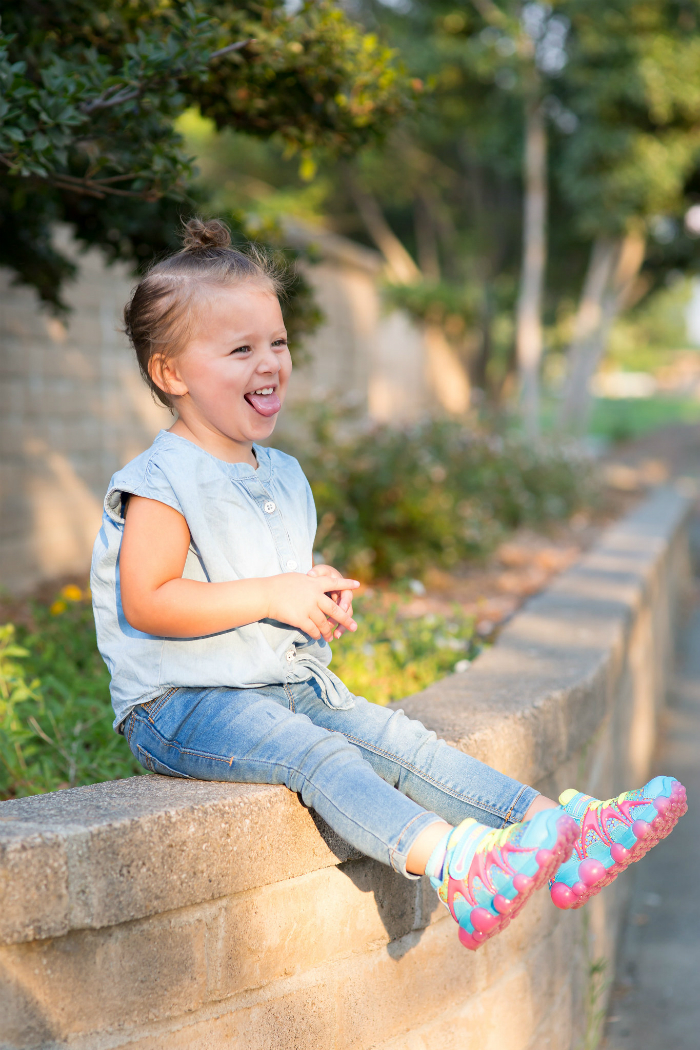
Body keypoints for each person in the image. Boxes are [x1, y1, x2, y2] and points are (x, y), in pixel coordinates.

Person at [91, 218, 687, 952]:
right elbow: (147, 601)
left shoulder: (277, 472)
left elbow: (249, 581)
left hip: (275, 686)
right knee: (322, 757)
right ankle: (453, 863)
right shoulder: (161, 480)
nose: (270, 362)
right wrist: (274, 595)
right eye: (240, 349)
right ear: (172, 373)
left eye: (277, 343)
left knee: (404, 741)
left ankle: (558, 828)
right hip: (181, 705)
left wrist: (306, 589)